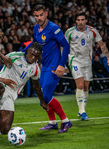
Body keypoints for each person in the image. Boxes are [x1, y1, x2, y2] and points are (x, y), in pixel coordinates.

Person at [22, 5, 72, 133]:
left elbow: (65, 46)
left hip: (54, 66)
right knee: (41, 97)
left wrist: (62, 65)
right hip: (43, 67)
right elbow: (34, 45)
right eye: (36, 16)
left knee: (46, 95)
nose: (39, 18)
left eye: (41, 15)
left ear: (46, 14)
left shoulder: (54, 28)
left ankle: (66, 121)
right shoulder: (36, 28)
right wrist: (19, 53)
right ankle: (52, 122)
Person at [65, 11, 109, 120]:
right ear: (75, 21)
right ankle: (82, 111)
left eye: (82, 20)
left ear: (86, 20)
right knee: (80, 85)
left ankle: (81, 110)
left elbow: (101, 44)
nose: (80, 22)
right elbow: (64, 46)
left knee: (86, 87)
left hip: (87, 61)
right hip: (74, 60)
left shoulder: (92, 31)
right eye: (78, 20)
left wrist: (108, 58)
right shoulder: (69, 32)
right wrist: (61, 63)